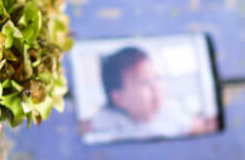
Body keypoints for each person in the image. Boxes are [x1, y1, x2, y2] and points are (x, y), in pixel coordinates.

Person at [87, 46, 217, 141]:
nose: (155, 87)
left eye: (157, 77)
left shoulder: (170, 112)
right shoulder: (110, 119)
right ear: (120, 98)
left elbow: (198, 126)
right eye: (144, 82)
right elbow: (81, 128)